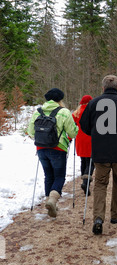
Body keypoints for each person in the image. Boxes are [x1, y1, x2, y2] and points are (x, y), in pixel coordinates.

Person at [80, 75, 117, 235]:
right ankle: (116, 214)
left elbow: (84, 125)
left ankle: (98, 218)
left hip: (100, 152)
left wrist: (95, 134)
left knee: (100, 184)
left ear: (103, 88)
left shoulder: (93, 104)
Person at [27, 88, 78, 218]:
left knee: (48, 176)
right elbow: (72, 133)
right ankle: (53, 200)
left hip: (41, 149)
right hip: (58, 148)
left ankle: (50, 203)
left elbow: (31, 132)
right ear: (60, 99)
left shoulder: (37, 112)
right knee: (59, 176)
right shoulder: (64, 112)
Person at [72, 95, 94, 195]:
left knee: (83, 161)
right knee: (91, 162)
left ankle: (84, 180)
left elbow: (72, 126)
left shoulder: (76, 113)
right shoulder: (93, 112)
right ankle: (86, 182)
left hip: (80, 139)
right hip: (91, 139)